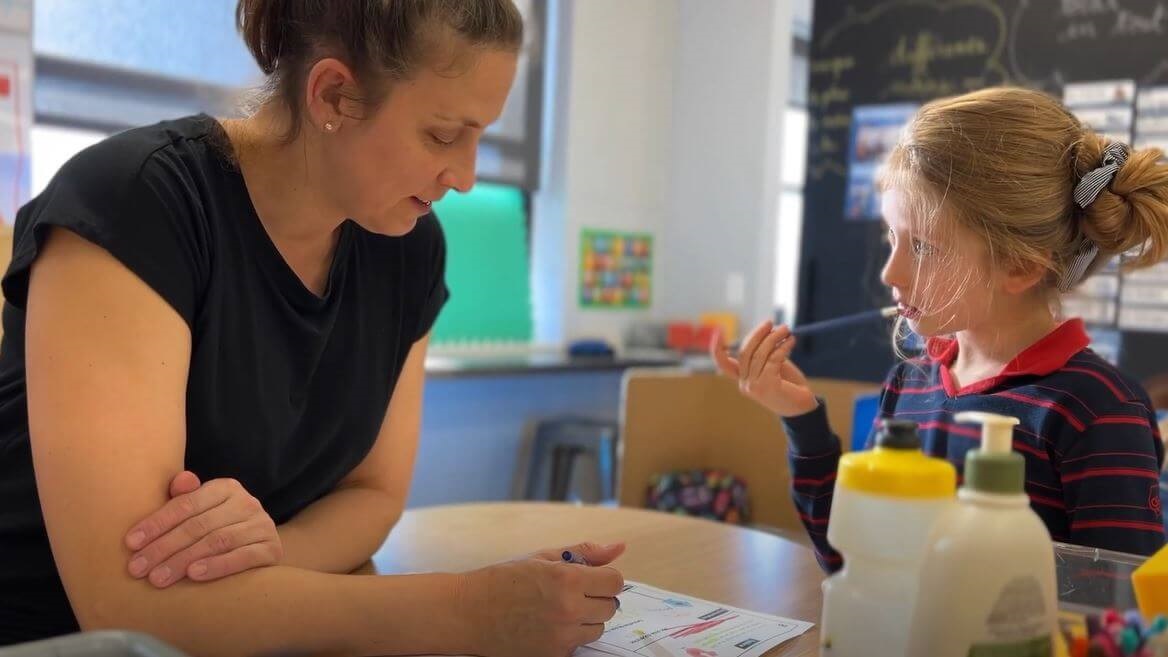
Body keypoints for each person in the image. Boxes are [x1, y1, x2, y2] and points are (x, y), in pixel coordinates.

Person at [0, 1, 626, 654]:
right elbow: (121, 602)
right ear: (334, 93)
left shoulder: (407, 246)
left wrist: (270, 556)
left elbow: (373, 491)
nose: (467, 178)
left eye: (482, 137)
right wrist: (469, 608)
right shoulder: (135, 202)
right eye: (443, 134)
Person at [713, 86, 1168, 571]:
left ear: (1018, 267)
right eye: (892, 237)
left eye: (924, 247)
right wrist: (802, 420)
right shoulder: (909, 385)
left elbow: (1121, 621)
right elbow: (853, 562)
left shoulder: (1097, 412)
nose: (889, 274)